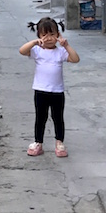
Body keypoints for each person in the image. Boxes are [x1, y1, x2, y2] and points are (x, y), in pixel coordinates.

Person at [19, 17, 80, 157]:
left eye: (52, 34)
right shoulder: (37, 51)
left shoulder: (60, 52)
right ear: (39, 36)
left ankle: (59, 142)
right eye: (44, 35)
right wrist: (35, 43)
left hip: (57, 92)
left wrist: (66, 45)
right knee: (40, 118)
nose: (48, 38)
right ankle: (38, 142)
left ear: (58, 35)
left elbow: (75, 59)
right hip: (40, 91)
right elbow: (22, 51)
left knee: (58, 118)